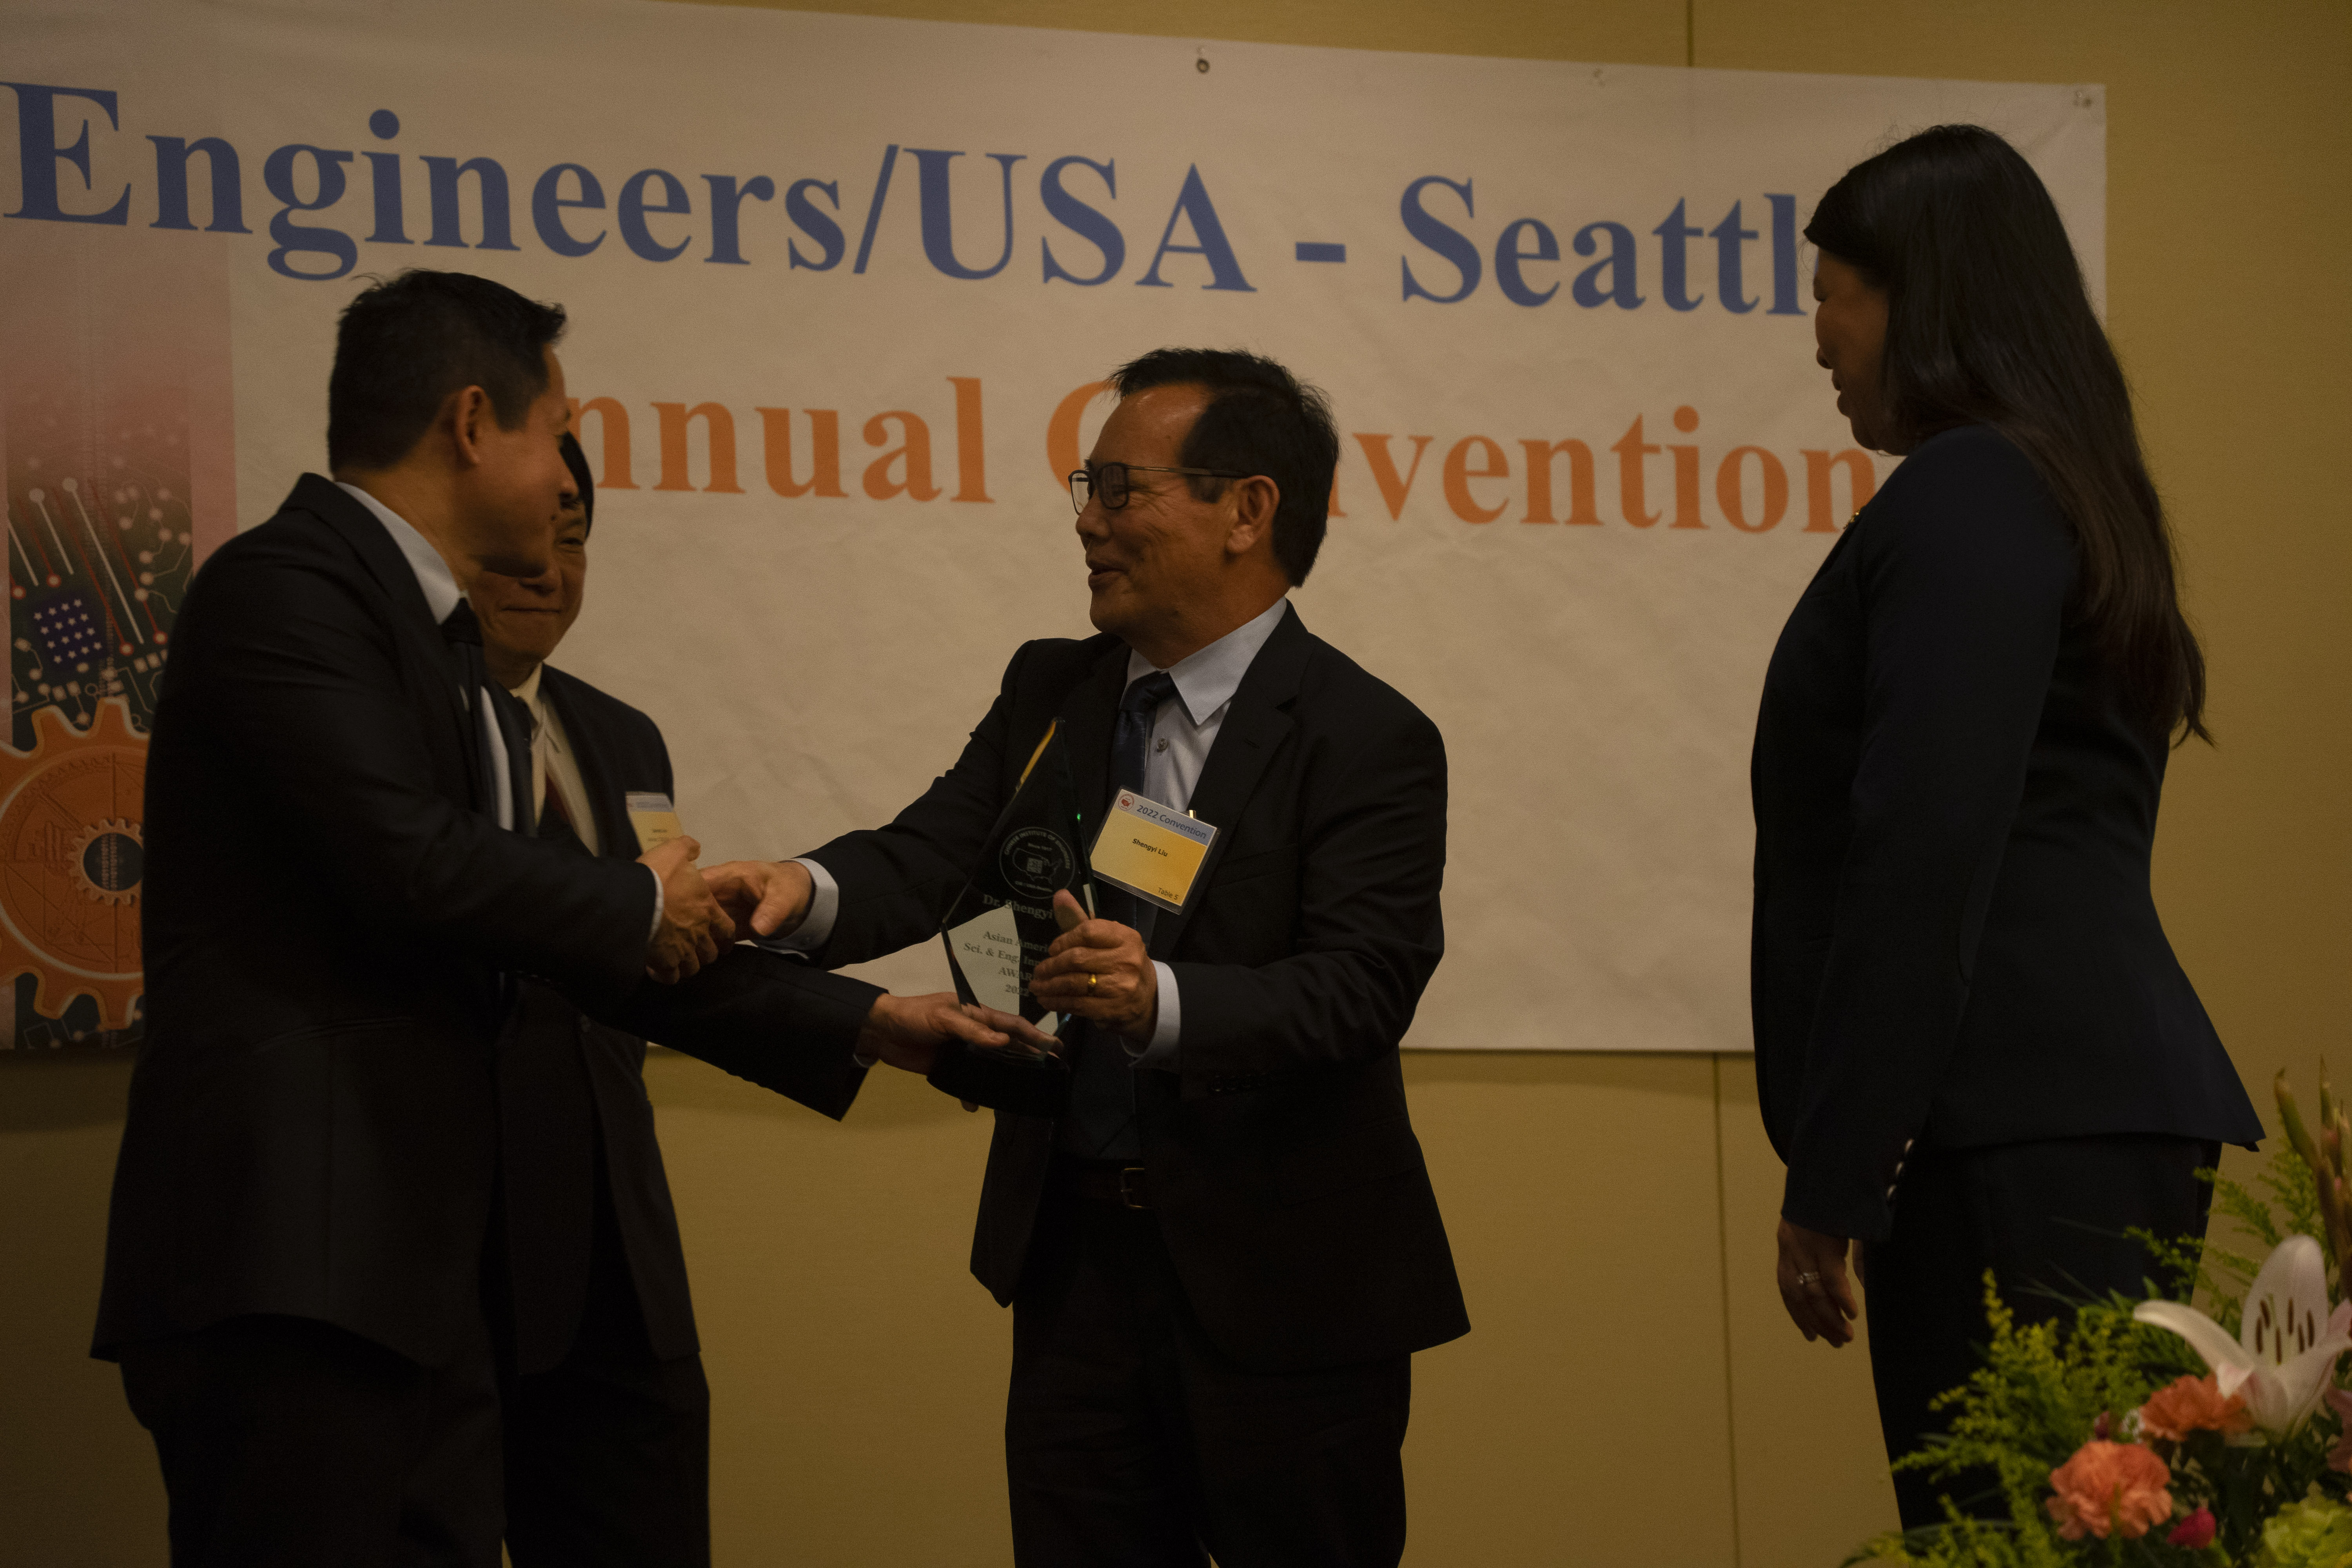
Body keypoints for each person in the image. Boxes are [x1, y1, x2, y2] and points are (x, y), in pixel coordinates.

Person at [94, 269, 1040, 1568]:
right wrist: (640, 901)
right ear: (473, 423)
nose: (565, 483)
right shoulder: (288, 588)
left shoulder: (430, 641)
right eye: (558, 432)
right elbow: (414, 861)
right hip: (302, 1266)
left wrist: (860, 1022)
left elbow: (531, 924)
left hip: (421, 1273)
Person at [711, 348, 1468, 1566]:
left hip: (1287, 1287)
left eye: (1122, 489)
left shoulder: (1365, 734)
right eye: (1087, 487)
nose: (1087, 522)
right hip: (1077, 1270)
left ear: (1246, 510)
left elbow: (1363, 985)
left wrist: (1154, 998)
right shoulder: (1052, 688)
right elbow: (932, 851)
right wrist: (799, 892)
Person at [1748, 125, 2263, 1527]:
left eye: (1835, 293)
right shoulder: (2055, 486)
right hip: (2063, 1113)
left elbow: (1926, 842)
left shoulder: (1973, 487)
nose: (1818, 337)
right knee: (2081, 1535)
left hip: (2016, 1124)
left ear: (1924, 300)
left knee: (2020, 1537)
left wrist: (1838, 1170)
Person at [464, 433, 711, 1565]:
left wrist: (864, 1019)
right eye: (516, 543)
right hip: (450, 1250)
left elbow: (654, 959)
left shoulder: (623, 736)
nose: (545, 571)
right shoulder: (389, 727)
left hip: (618, 1261)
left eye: (572, 541)